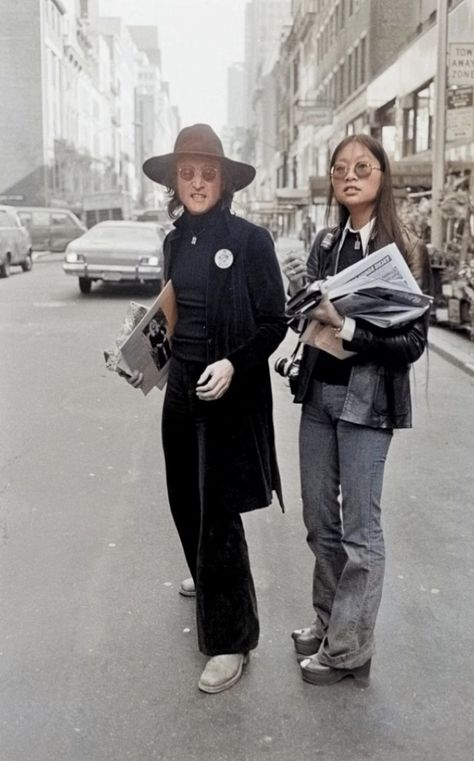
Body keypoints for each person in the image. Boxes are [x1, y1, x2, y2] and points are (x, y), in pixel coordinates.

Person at [129, 124, 287, 694]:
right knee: (183, 500)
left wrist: (233, 364)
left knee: (218, 517)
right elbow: (174, 313)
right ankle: (207, 575)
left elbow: (276, 322)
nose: (197, 183)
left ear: (224, 182)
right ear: (175, 182)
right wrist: (142, 351)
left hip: (226, 395)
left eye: (208, 173)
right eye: (187, 174)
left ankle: (231, 639)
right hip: (178, 391)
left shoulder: (250, 241)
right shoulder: (175, 240)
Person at [282, 134, 432, 687]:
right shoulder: (326, 242)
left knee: (360, 531)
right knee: (319, 519)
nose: (350, 176)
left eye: (362, 167)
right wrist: (300, 305)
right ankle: (329, 622)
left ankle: (348, 649)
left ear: (382, 176)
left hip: (371, 403)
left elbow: (412, 344)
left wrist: (343, 323)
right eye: (340, 168)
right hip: (321, 394)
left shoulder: (406, 249)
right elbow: (305, 319)